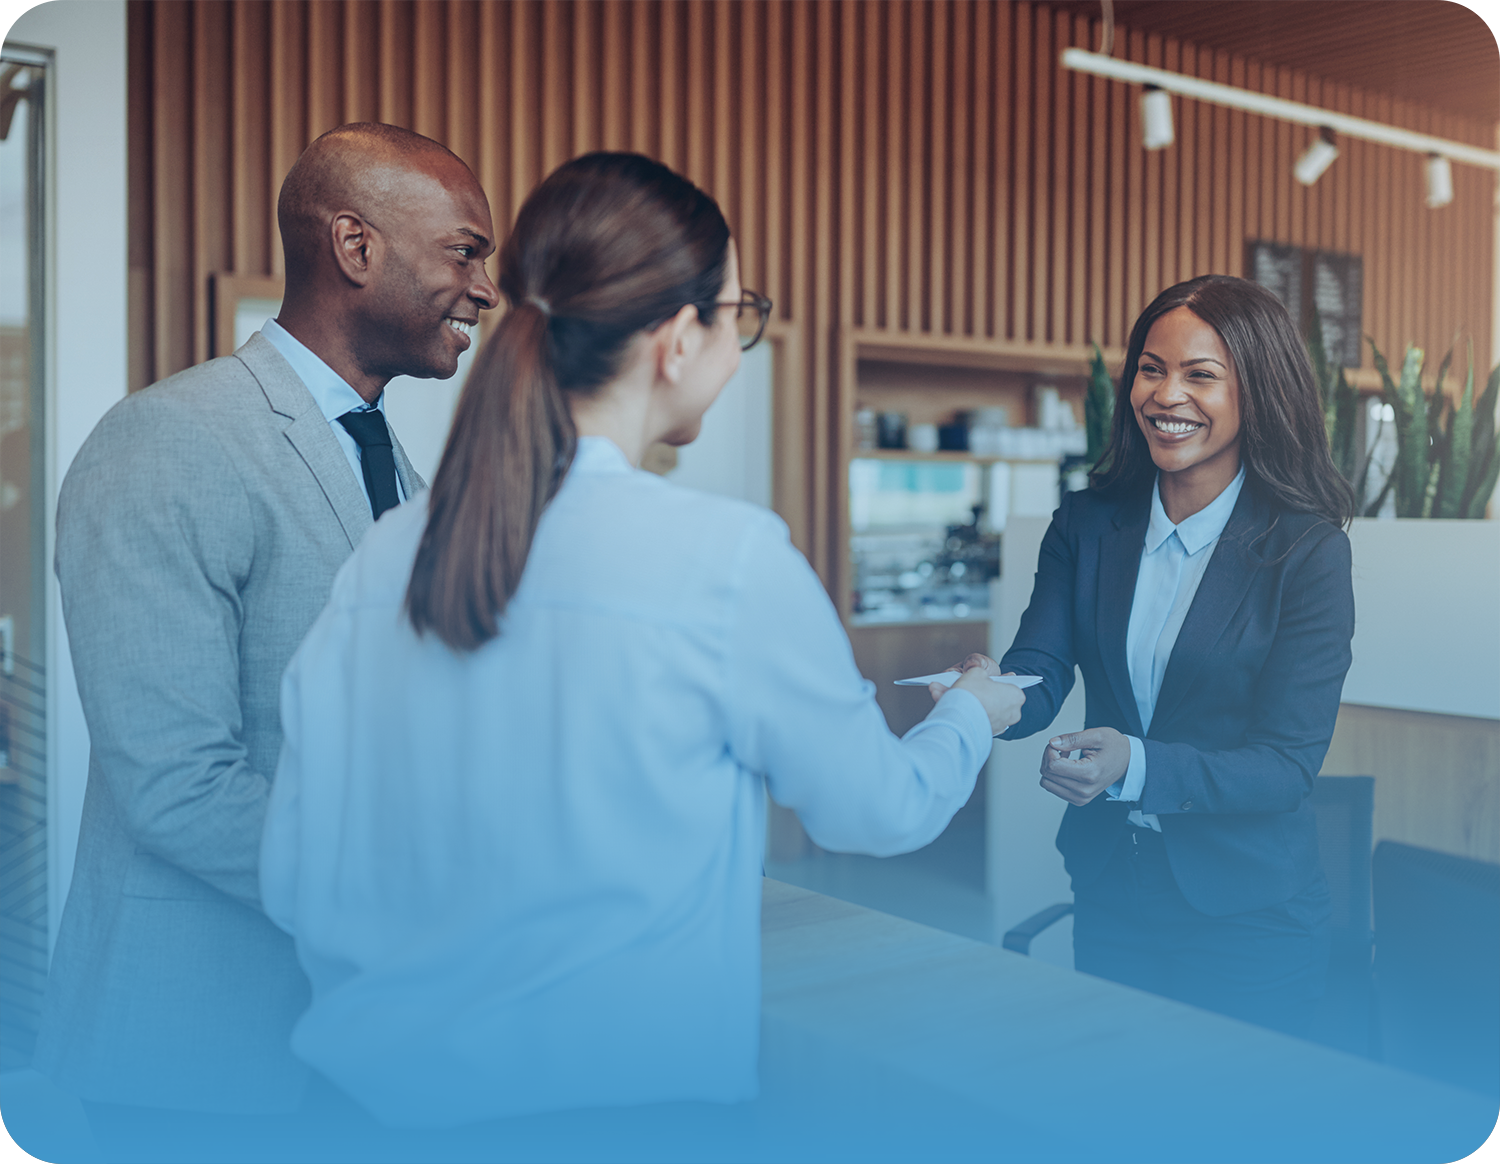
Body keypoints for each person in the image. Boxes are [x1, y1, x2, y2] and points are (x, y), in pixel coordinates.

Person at [258, 151, 1025, 1134]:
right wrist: (972, 709)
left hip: (354, 1116)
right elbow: (878, 809)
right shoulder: (725, 559)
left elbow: (290, 875)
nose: (741, 348)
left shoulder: (383, 559)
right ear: (676, 339)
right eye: (740, 316)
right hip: (602, 1121)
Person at [33, 122, 499, 1153]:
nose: (485, 288)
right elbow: (176, 785)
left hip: (351, 1042)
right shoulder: (168, 442)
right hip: (194, 1050)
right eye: (467, 250)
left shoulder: (401, 476)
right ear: (356, 246)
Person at [973, 274, 1355, 1037]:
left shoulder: (1307, 552)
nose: (1166, 394)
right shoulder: (1088, 522)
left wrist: (1132, 764)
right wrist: (990, 697)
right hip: (1116, 888)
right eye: (1152, 368)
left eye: (1201, 375)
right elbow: (1040, 665)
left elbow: (1285, 763)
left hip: (1252, 915)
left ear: (1259, 392)